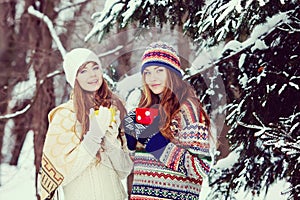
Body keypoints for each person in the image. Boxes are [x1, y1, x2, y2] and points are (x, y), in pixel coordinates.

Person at [40, 48, 133, 200]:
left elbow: (124, 170)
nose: (92, 75)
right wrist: (94, 137)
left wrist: (108, 139)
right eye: (83, 71)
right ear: (74, 78)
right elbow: (64, 175)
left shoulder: (114, 109)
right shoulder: (64, 115)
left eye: (95, 67)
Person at [123, 42, 213, 200]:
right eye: (148, 73)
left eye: (159, 71)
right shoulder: (147, 111)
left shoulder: (187, 109)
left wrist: (154, 142)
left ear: (172, 74)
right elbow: (138, 163)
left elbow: (200, 166)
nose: (153, 78)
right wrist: (129, 140)